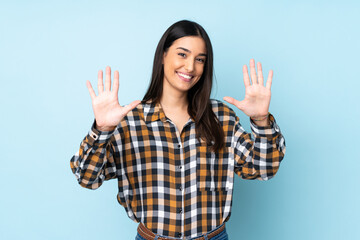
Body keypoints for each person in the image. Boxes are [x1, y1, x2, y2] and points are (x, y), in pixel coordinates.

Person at [70, 20, 286, 240]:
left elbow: (263, 168)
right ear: (163, 55)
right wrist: (102, 130)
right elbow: (87, 177)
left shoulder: (221, 117)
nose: (190, 67)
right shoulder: (130, 122)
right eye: (182, 54)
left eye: (199, 59)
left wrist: (260, 120)